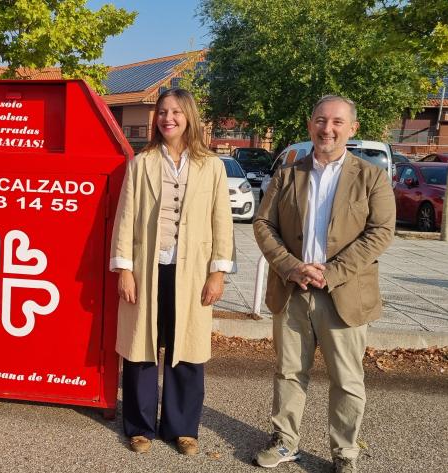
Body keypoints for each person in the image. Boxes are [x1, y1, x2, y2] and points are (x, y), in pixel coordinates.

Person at [253, 95, 395, 472]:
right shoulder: (288, 173)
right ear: (310, 124)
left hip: (344, 293)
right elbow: (263, 224)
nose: (326, 129)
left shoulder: (371, 177)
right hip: (292, 289)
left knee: (347, 379)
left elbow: (380, 232)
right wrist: (290, 267)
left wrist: (330, 272)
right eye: (320, 120)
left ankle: (344, 453)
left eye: (336, 122)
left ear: (353, 128)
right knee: (288, 372)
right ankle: (285, 441)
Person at [109, 88, 234, 455]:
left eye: (176, 112)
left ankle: (182, 428)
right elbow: (125, 218)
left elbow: (221, 222)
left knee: (188, 349)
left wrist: (218, 272)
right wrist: (125, 270)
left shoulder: (211, 165)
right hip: (148, 268)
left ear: (190, 117)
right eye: (162, 112)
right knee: (141, 348)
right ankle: (139, 425)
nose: (168, 118)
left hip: (193, 272)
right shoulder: (142, 162)